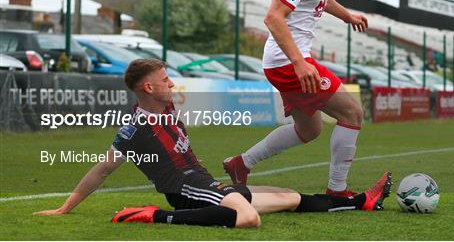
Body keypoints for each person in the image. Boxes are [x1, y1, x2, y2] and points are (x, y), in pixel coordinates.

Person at [34, 58, 392, 228]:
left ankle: (360, 202)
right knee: (248, 217)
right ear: (148, 89)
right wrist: (66, 208)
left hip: (204, 182)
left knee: (287, 195)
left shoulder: (169, 106)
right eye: (164, 79)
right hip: (189, 191)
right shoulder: (135, 128)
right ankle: (156, 216)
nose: (171, 83)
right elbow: (103, 168)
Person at [223, 0, 375, 197]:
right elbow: (274, 18)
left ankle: (241, 164)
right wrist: (299, 63)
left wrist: (347, 16)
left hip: (285, 62)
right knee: (352, 112)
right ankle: (337, 190)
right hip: (287, 62)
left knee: (309, 131)